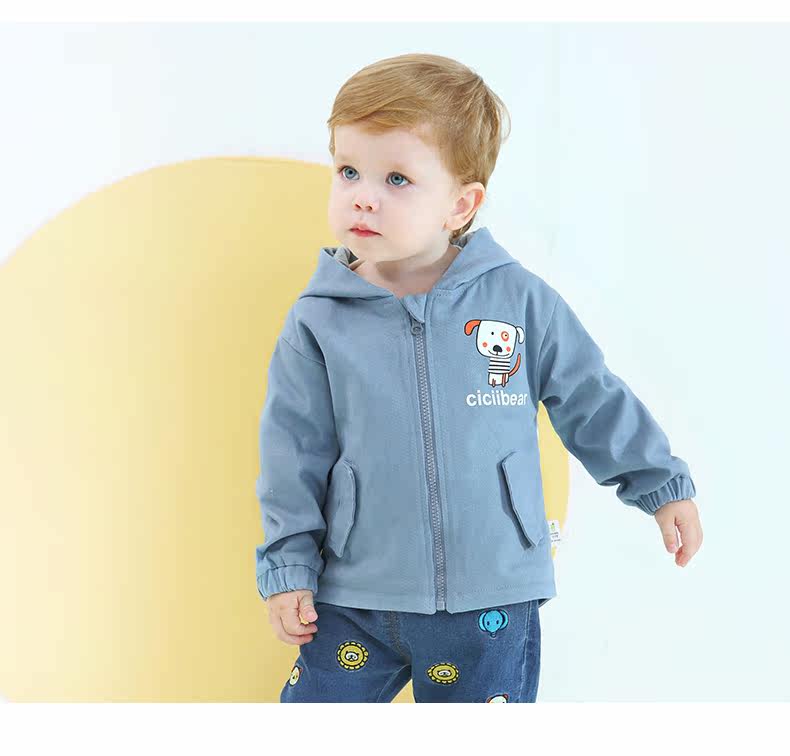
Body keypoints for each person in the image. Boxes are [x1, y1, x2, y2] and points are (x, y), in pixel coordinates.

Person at [254, 53, 703, 703]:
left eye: (397, 178)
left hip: (491, 595)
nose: (363, 195)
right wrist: (289, 567)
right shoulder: (318, 320)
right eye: (348, 170)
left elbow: (590, 396)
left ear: (460, 205)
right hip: (354, 597)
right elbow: (292, 456)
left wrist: (660, 482)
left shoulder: (519, 301)